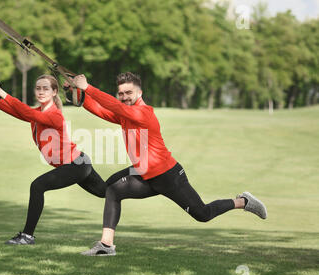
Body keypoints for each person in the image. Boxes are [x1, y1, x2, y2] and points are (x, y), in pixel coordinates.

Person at [70, 72, 267, 256]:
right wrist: (81, 97)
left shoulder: (143, 113)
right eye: (121, 93)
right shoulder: (126, 114)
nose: (124, 96)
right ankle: (106, 246)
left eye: (129, 92)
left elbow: (115, 107)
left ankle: (243, 201)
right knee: (113, 189)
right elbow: (103, 111)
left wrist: (87, 87)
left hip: (168, 176)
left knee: (203, 214)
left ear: (140, 92)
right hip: (144, 174)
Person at [0, 75, 107, 245]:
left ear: (54, 92)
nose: (41, 92)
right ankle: (136, 183)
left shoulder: (55, 115)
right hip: (79, 164)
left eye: (46, 88)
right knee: (108, 192)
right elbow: (15, 110)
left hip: (76, 165)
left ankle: (27, 236)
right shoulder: (37, 113)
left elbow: (23, 110)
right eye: (38, 88)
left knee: (37, 186)